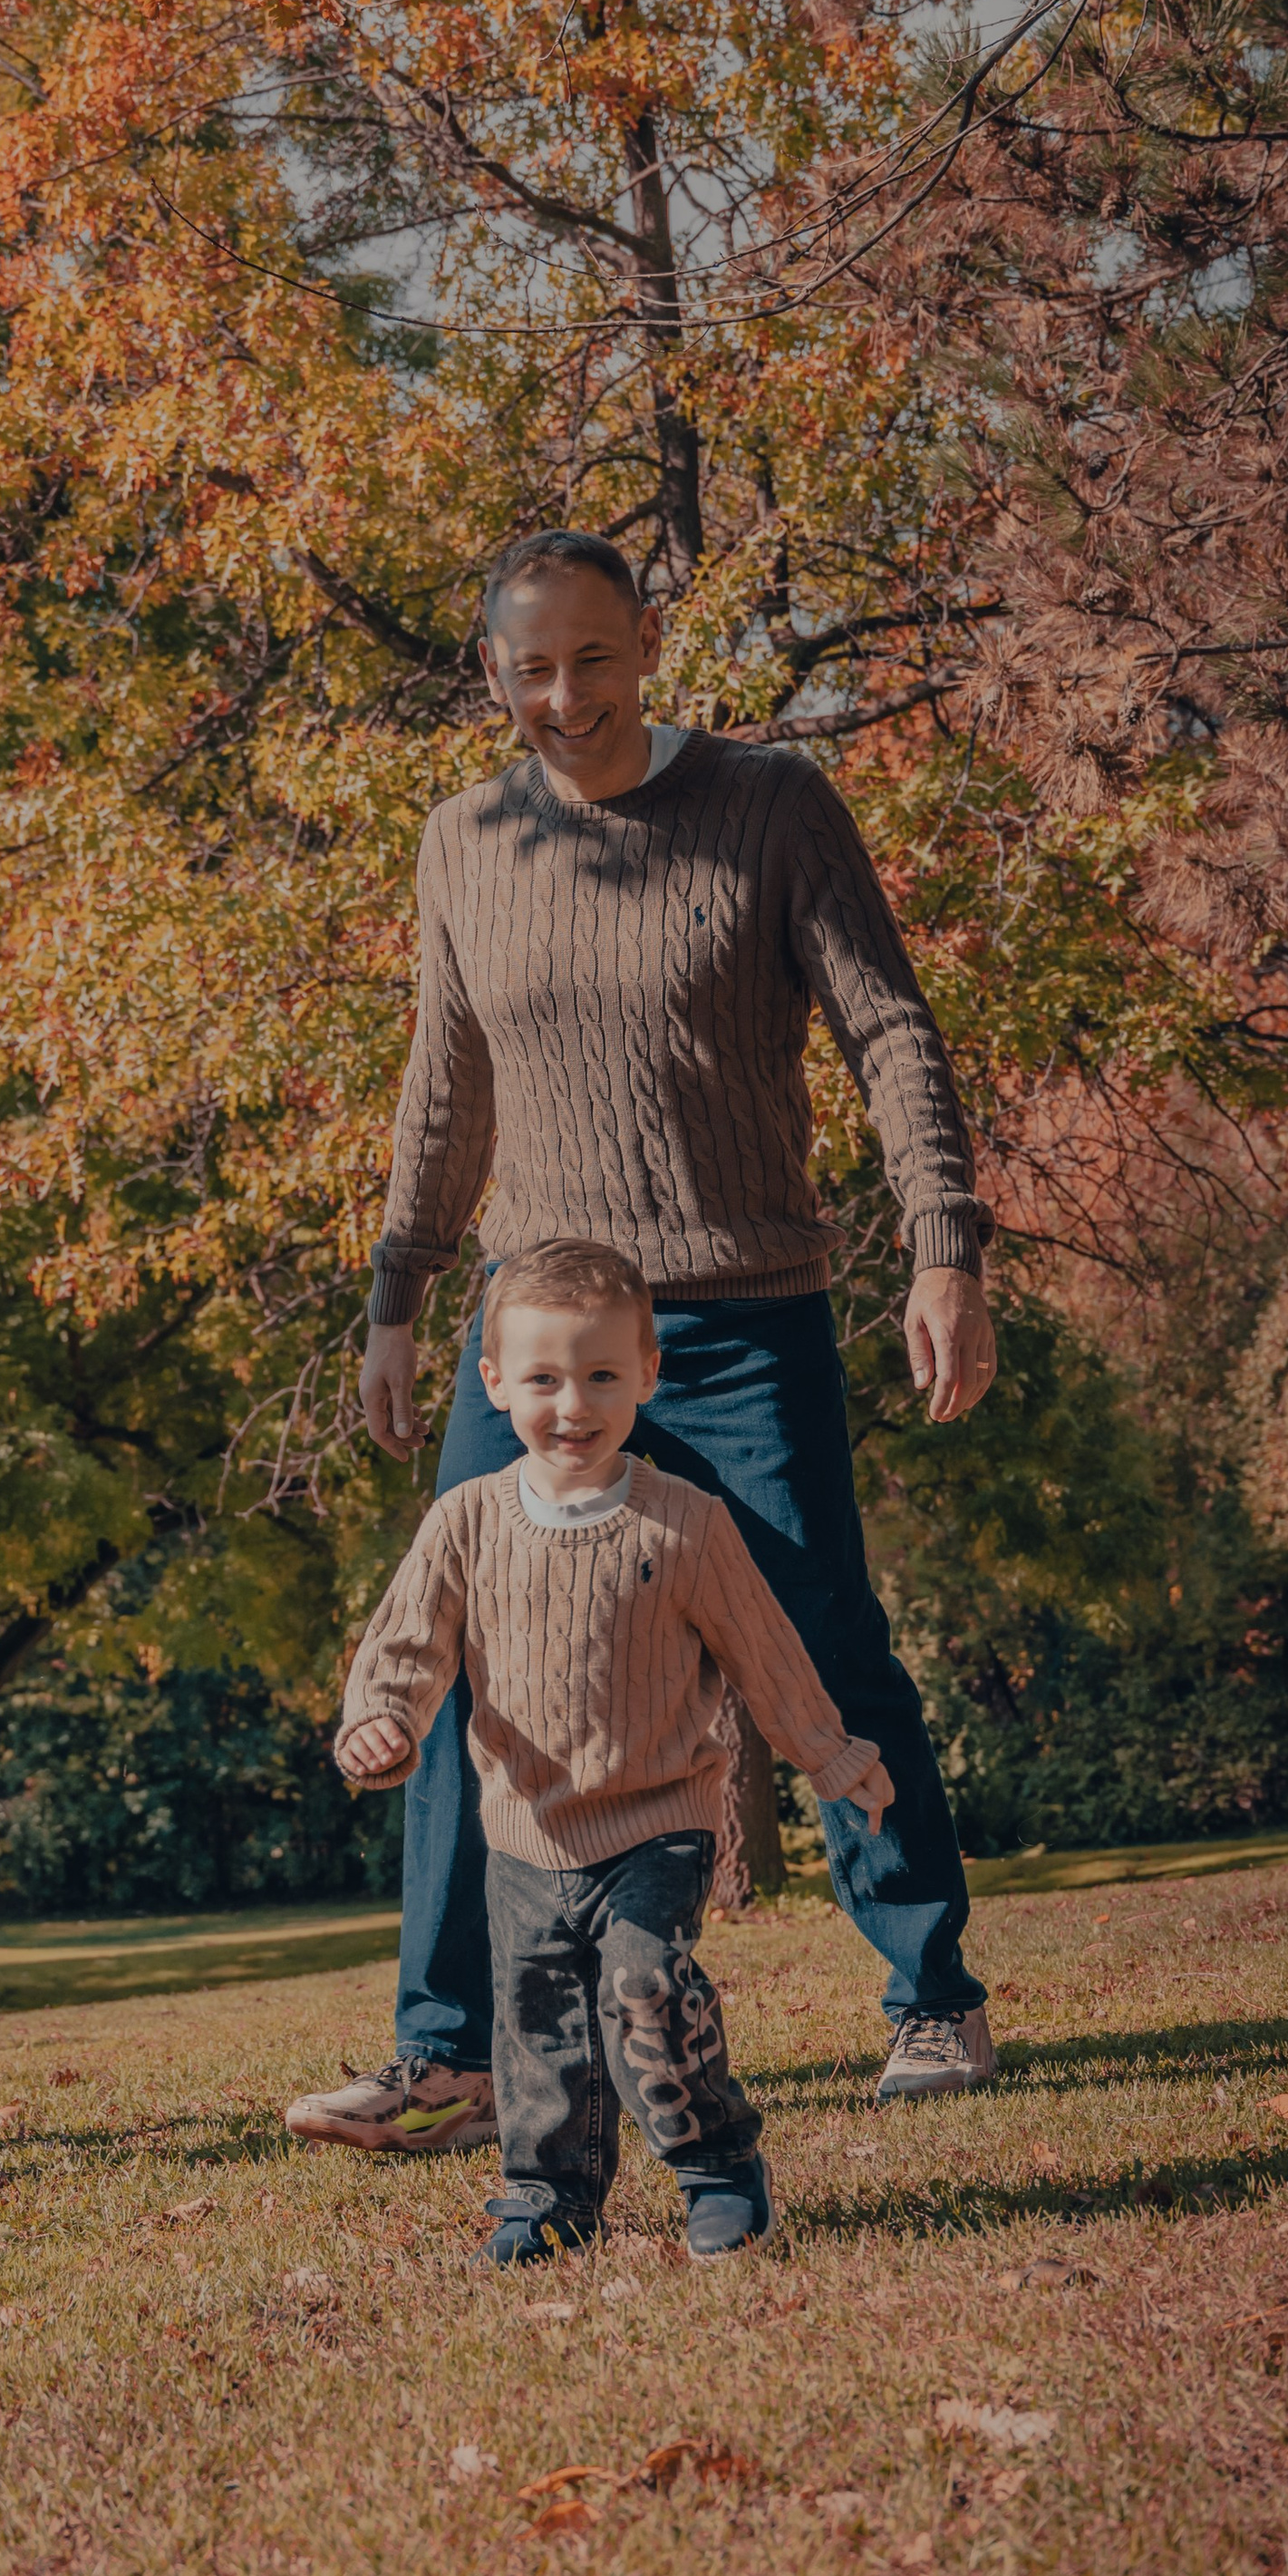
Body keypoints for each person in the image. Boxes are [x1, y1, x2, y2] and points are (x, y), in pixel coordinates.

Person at [289, 527, 1002, 2161]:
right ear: (492, 677)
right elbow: (444, 1086)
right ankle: (450, 2054)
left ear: (649, 642)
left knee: (816, 1642)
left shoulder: (767, 804)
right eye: (529, 669)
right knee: (468, 1655)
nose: (564, 696)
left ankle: (930, 1994)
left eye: (592, 659)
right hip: (533, 1331)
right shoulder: (462, 840)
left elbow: (890, 1027)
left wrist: (946, 1244)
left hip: (743, 1308)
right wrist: (398, 1303)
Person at [334, 1242, 895, 2257]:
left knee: (645, 1988)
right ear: (494, 1381)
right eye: (542, 1377)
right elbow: (405, 1648)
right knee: (536, 2027)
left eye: (601, 1374)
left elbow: (768, 1659)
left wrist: (833, 1756)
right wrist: (381, 1721)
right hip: (525, 1835)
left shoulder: (684, 1525)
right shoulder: (465, 1522)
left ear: (648, 1373)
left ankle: (718, 2168)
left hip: (658, 1822)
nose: (572, 1403)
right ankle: (550, 2200)